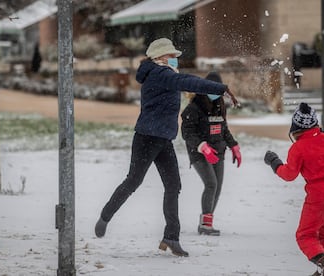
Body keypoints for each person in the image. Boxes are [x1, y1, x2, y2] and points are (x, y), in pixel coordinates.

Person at [95, 38, 239, 257]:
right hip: (146, 138)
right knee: (134, 180)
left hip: (164, 139)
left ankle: (171, 237)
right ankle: (105, 215)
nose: (175, 60)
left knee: (173, 186)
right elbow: (189, 82)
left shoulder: (164, 74)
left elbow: (183, 81)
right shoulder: (160, 74)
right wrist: (221, 88)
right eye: (172, 56)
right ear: (161, 57)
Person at [263, 102, 324, 276]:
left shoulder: (298, 148)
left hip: (318, 192)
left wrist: (275, 163)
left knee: (305, 235)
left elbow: (289, 174)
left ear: (295, 128)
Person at [181, 71, 241, 236]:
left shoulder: (219, 104)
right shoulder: (193, 108)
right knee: (211, 184)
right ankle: (205, 226)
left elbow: (224, 128)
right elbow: (187, 132)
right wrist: (202, 146)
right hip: (199, 152)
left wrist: (234, 145)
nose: (216, 95)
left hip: (218, 151)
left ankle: (207, 222)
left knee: (218, 187)